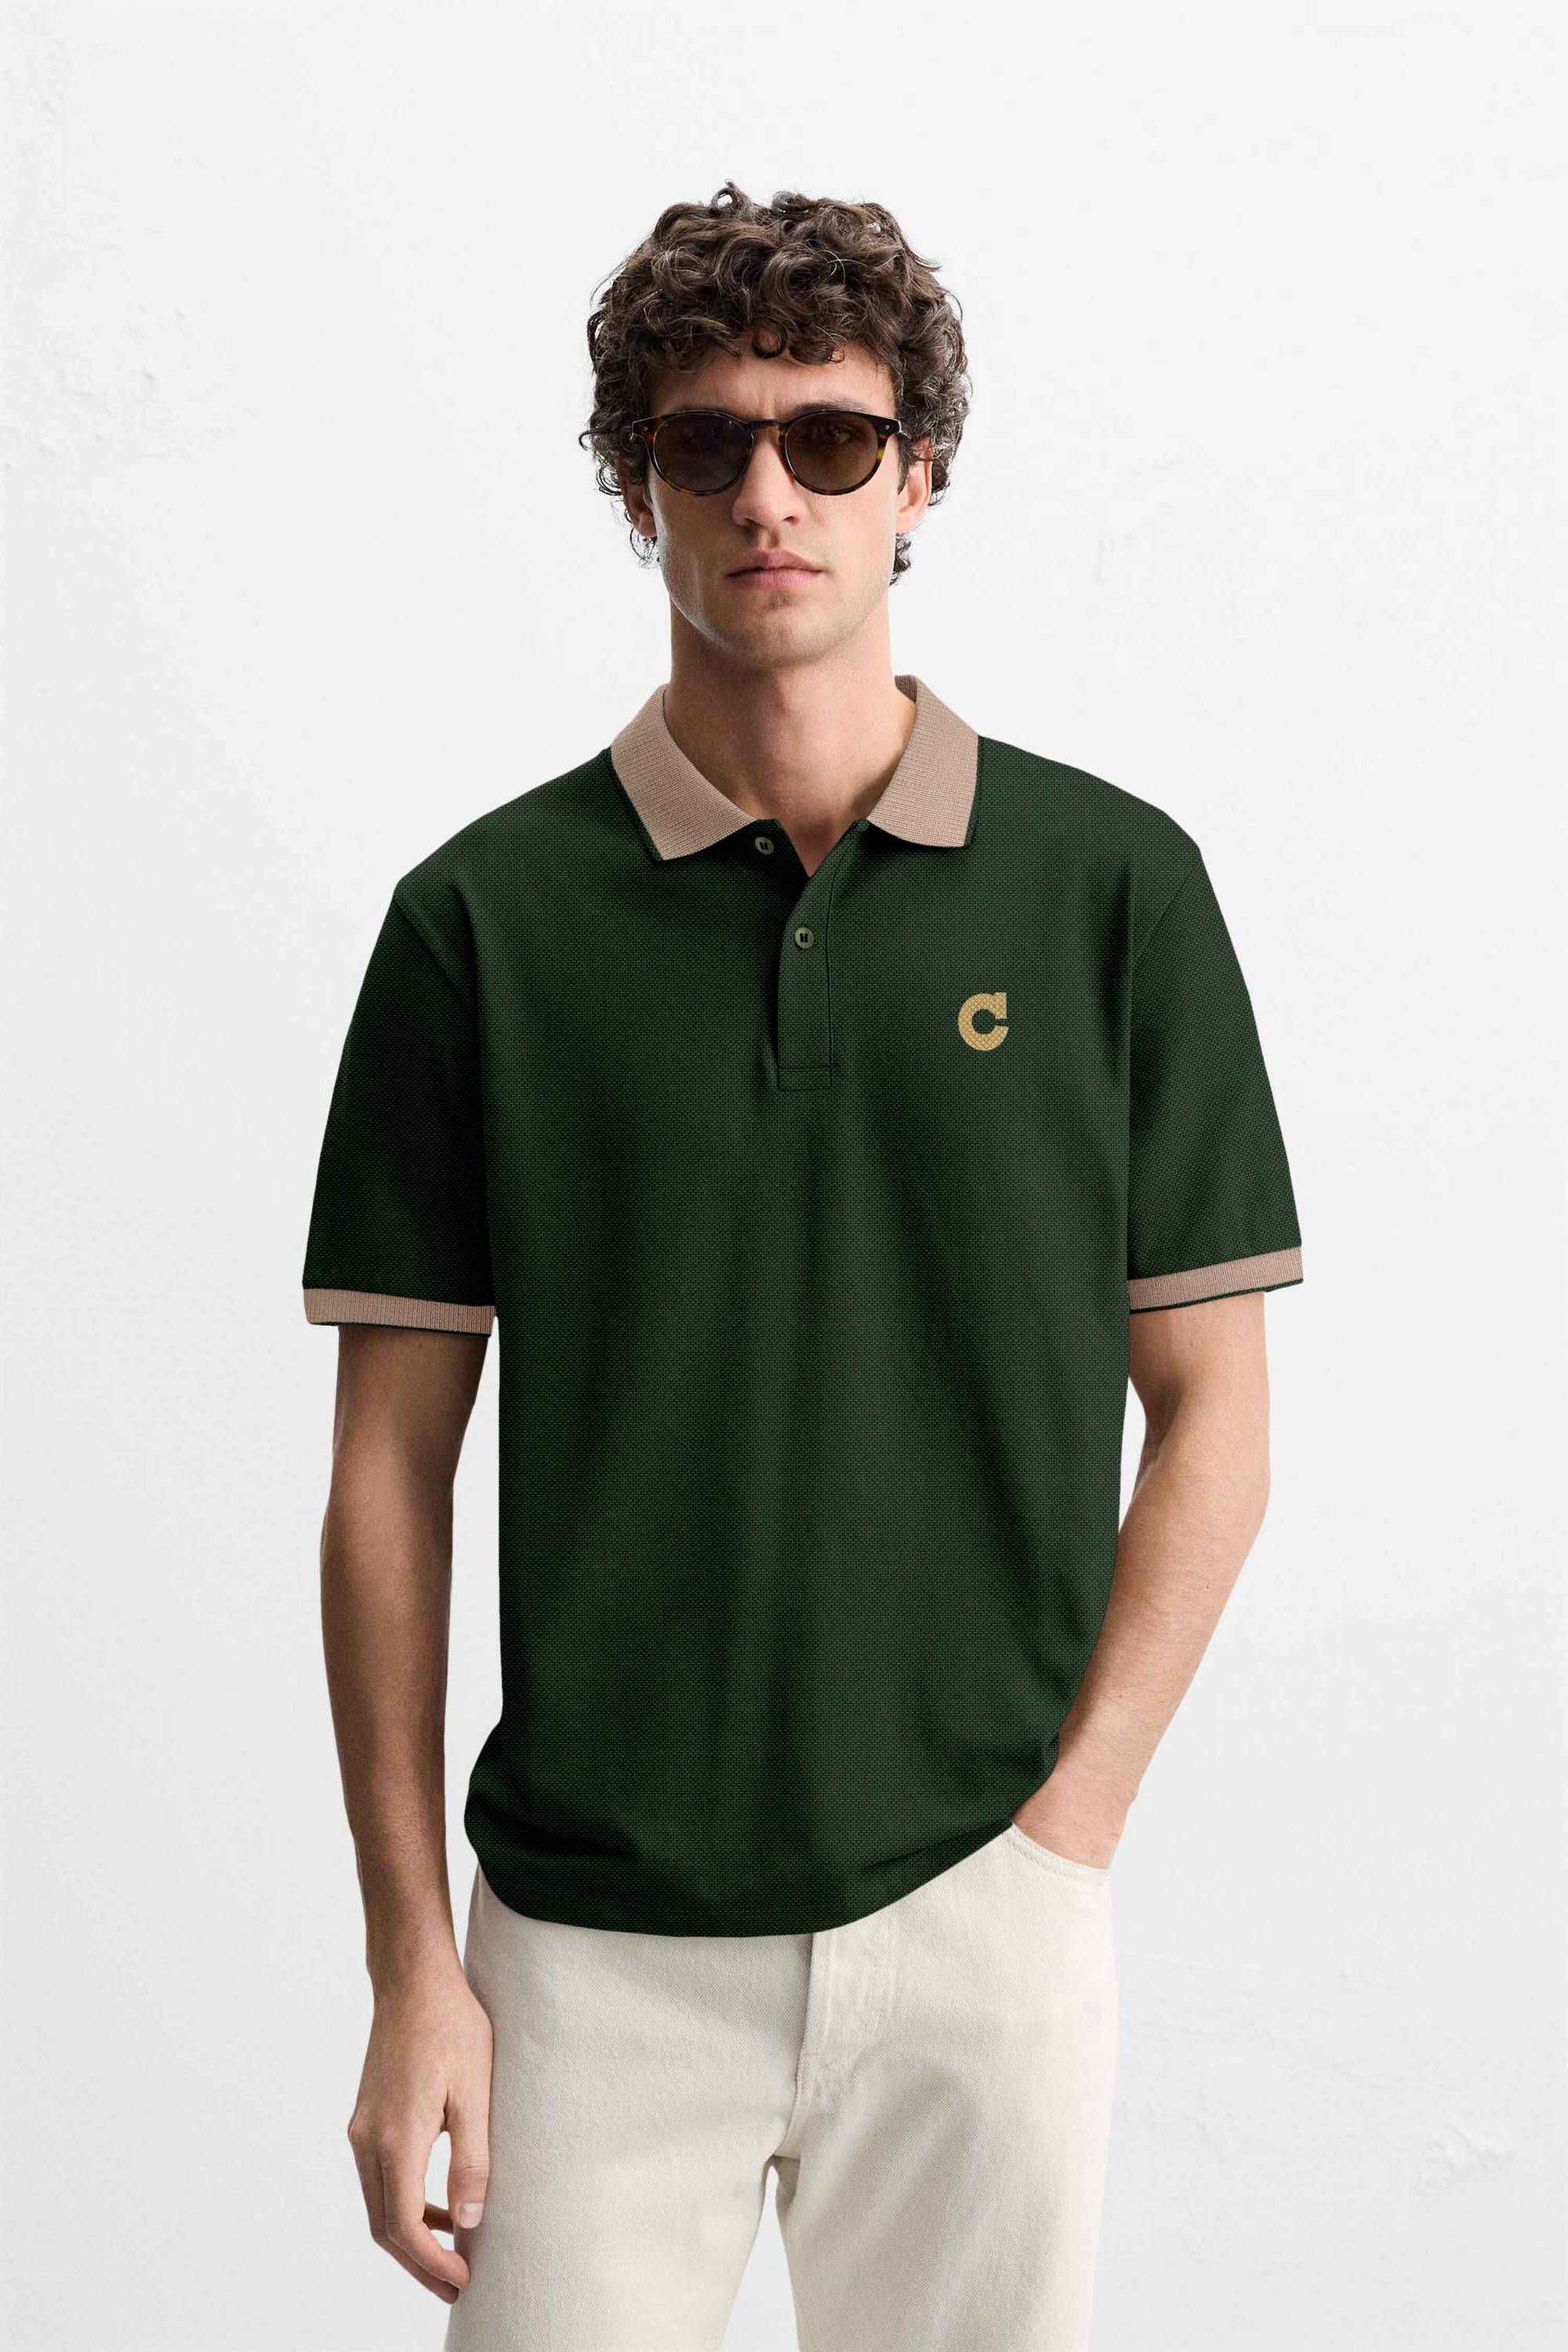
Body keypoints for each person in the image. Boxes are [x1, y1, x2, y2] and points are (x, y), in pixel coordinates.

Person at [302, 181, 1303, 2352]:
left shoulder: (1116, 892)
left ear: (915, 476)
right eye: (707, 443)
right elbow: (387, 1473)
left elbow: (1217, 1412)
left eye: (831, 439)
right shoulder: (481, 923)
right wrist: (410, 1960)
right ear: (637, 485)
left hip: (984, 1904)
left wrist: (1065, 1837)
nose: (770, 495)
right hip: (583, 1942)